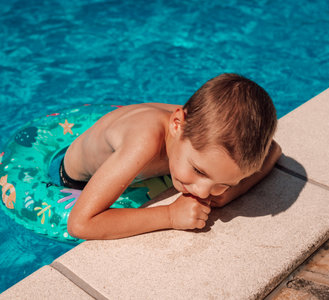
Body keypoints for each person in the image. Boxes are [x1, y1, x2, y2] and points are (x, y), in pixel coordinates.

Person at [64, 73, 282, 240]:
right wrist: (169, 215)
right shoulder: (145, 141)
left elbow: (273, 150)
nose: (203, 191)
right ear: (177, 125)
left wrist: (230, 193)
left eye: (224, 183)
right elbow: (80, 224)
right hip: (75, 177)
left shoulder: (198, 137)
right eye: (199, 171)